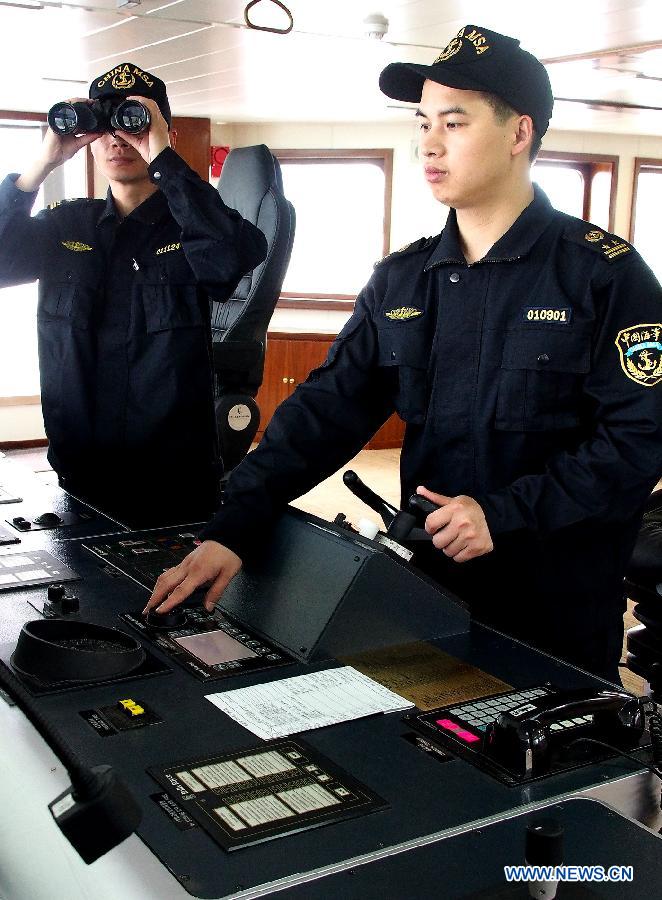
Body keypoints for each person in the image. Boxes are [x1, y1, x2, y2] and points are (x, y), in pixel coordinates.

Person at [145, 26, 662, 681]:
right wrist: (233, 524)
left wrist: (504, 513)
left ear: (518, 132)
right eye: (422, 123)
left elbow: (639, 440)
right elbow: (323, 412)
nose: (429, 144)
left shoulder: (604, 276)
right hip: (426, 603)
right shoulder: (403, 279)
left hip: (554, 615)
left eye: (454, 122)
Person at [0, 62, 266, 525]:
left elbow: (229, 259)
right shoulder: (66, 226)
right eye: (103, 127)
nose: (116, 140)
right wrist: (42, 163)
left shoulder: (197, 226)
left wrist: (164, 160)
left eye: (132, 124)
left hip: (173, 482)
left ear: (166, 135)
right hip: (80, 472)